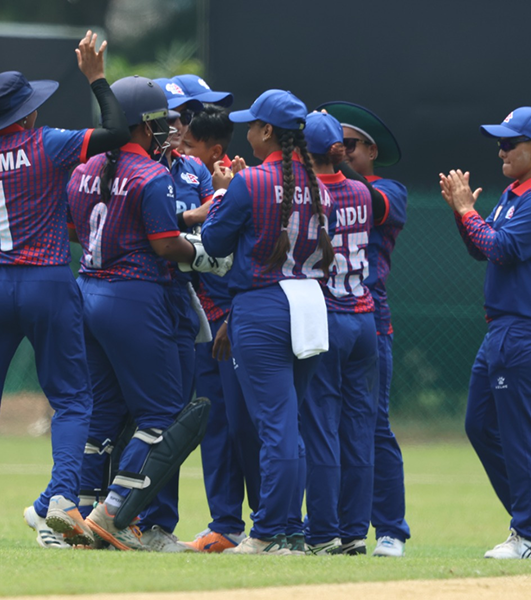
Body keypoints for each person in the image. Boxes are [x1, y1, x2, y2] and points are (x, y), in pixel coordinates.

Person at [0, 31, 130, 548]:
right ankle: (61, 505)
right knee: (73, 399)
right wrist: (96, 77)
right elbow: (117, 131)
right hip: (45, 278)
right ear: (26, 114)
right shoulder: (46, 143)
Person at [66, 75, 223, 551]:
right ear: (142, 124)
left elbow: (75, 229)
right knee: (161, 415)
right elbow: (164, 244)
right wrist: (206, 255)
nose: (168, 130)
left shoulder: (83, 168)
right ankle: (110, 513)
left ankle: (82, 511)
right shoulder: (152, 174)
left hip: (86, 290)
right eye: (161, 122)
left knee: (103, 415)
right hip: (133, 296)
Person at [201, 89, 334, 555]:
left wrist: (221, 192)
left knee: (274, 426)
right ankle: (291, 532)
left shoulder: (251, 181)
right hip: (311, 304)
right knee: (288, 423)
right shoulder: (317, 184)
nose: (248, 130)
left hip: (263, 304)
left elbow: (214, 242)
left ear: (269, 132)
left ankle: (266, 533)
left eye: (254, 125)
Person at [439, 106, 531, 559]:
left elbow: (502, 247)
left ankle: (530, 537)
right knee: (479, 425)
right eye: (499, 142)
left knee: (519, 433)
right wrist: (464, 215)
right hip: (504, 325)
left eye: (510, 143)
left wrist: (468, 210)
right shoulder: (515, 192)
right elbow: (483, 249)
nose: (501, 150)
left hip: (527, 327)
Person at [317, 100, 410, 557]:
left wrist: (328, 163)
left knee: (373, 428)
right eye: (332, 144)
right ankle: (333, 530)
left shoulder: (387, 188)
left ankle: (391, 529)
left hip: (370, 321)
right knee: (322, 426)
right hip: (318, 320)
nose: (340, 152)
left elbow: (371, 203)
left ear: (371, 150)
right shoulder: (316, 186)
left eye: (347, 145)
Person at [178, 105, 260, 553]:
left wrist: (204, 211)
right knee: (215, 425)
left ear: (215, 151)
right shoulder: (190, 184)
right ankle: (225, 525)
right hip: (203, 324)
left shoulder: (243, 188)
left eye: (188, 144)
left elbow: (235, 257)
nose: (179, 149)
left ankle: (272, 524)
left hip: (237, 320)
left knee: (248, 426)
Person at [301, 111, 377, 556]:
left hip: (325, 314)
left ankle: (324, 532)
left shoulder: (308, 194)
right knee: (358, 428)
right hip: (364, 316)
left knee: (321, 426)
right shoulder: (362, 192)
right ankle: (353, 532)